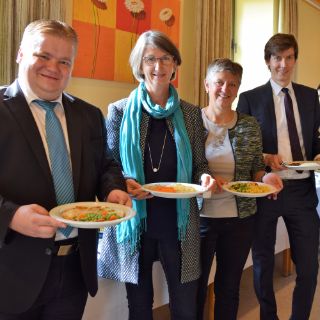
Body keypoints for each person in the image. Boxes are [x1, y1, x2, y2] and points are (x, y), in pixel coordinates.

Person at [0, 19, 131, 320]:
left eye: (64, 61)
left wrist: (113, 188)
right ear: (20, 54)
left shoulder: (88, 114)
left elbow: (106, 164)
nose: (53, 68)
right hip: (11, 271)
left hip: (75, 269)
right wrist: (11, 216)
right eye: (43, 56)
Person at [98, 30, 215, 320]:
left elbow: (200, 165)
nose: (158, 67)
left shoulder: (190, 113)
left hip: (179, 224)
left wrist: (204, 180)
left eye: (165, 58)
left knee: (185, 306)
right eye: (150, 59)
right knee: (139, 307)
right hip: (136, 223)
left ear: (175, 64)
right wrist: (124, 183)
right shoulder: (119, 111)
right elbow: (109, 166)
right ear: (140, 64)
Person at [237, 33, 320, 320]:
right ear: (267, 61)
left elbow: (316, 140)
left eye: (289, 57)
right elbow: (242, 149)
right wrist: (263, 160)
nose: (283, 64)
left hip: (303, 191)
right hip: (266, 190)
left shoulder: (310, 96)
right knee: (262, 262)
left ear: (295, 59)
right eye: (277, 58)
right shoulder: (249, 99)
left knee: (309, 267)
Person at [196, 59, 283, 320]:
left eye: (232, 84)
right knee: (195, 288)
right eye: (220, 82)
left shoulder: (249, 124)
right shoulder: (191, 121)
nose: (225, 89)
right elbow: (183, 168)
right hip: (199, 218)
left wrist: (266, 179)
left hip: (240, 219)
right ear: (207, 85)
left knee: (229, 288)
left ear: (238, 89)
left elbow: (256, 168)